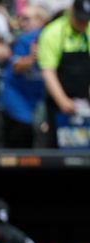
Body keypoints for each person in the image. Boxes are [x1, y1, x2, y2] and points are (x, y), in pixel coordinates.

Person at [37, 0, 90, 148]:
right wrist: (63, 101)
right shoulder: (53, 32)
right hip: (58, 104)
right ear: (71, 12)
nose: (82, 24)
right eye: (80, 19)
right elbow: (48, 71)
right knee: (57, 151)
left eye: (86, 20)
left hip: (85, 103)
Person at [0, 5, 48, 148]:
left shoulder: (50, 36)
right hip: (18, 95)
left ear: (41, 21)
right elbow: (17, 67)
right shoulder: (23, 39)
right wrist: (32, 58)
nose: (21, 22)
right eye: (20, 18)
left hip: (39, 96)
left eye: (26, 19)